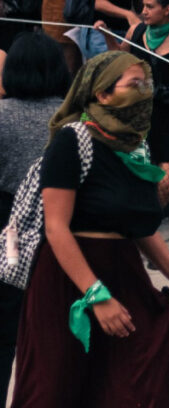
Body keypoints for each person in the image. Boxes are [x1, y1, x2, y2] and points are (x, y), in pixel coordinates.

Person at [11, 51, 169, 406]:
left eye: (146, 84)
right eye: (133, 84)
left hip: (123, 273)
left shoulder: (134, 145)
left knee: (125, 387)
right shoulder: (72, 141)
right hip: (67, 281)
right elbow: (56, 228)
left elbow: (138, 226)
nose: (143, 92)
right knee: (57, 387)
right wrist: (96, 295)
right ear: (102, 94)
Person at [0, 33, 71, 399]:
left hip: (8, 237)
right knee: (55, 339)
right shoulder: (72, 120)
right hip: (64, 237)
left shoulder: (1, 116)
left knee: (3, 336)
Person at [119, 0, 169, 207]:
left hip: (168, 114)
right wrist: (105, 35)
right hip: (137, 112)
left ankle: (156, 214)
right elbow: (118, 62)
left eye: (150, 7)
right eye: (143, 6)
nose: (144, 11)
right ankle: (138, 213)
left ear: (167, 9)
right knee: (136, 169)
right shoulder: (135, 32)